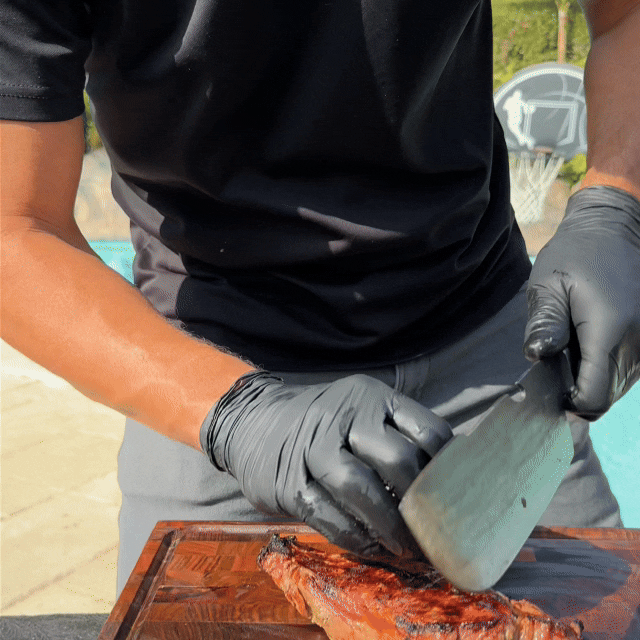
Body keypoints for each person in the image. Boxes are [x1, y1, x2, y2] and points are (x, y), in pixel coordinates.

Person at [1, 1, 639, 596]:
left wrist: (617, 200)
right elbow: (15, 230)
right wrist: (238, 416)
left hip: (494, 361)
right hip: (210, 389)